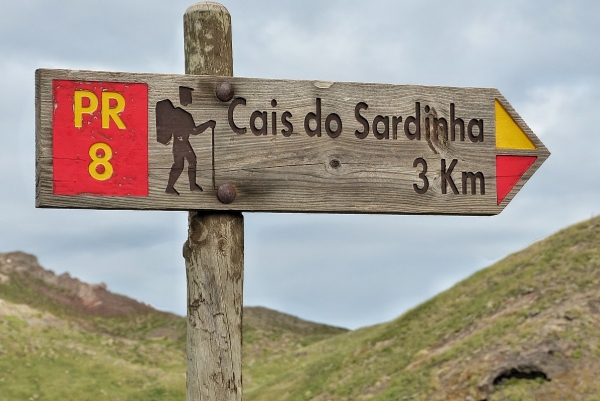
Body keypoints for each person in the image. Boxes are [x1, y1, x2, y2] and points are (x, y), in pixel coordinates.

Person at [156, 98, 215, 195]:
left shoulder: (177, 116)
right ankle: (175, 187)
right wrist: (208, 124)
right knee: (184, 164)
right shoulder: (184, 115)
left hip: (179, 143)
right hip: (181, 144)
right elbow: (194, 131)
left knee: (184, 163)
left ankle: (177, 186)